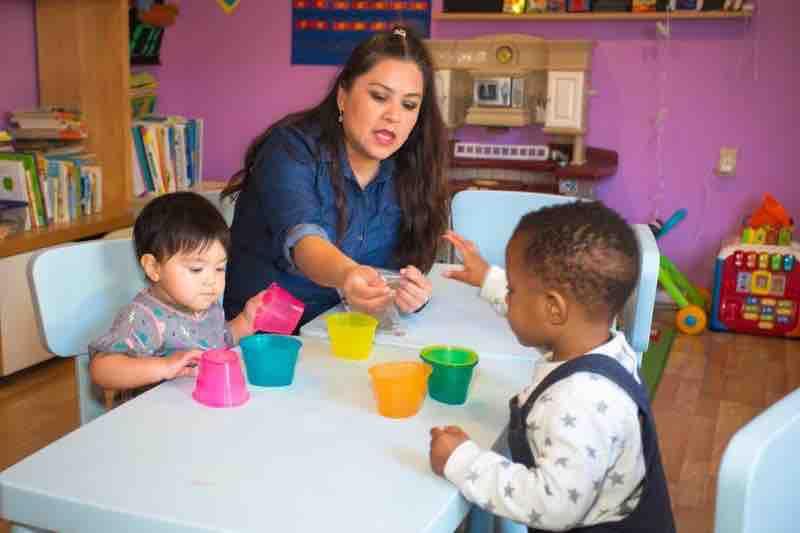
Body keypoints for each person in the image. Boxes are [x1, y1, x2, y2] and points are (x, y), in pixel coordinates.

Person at [430, 202, 675, 532]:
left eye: (513, 290)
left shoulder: (578, 400)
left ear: (554, 309)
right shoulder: (604, 345)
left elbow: (552, 505)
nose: (509, 297)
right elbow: (541, 313)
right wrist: (489, 279)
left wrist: (463, 461)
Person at [220, 25, 449, 326]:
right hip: (262, 343)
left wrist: (405, 290)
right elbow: (304, 241)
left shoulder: (409, 170)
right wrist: (347, 275)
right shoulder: (290, 149)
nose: (394, 115)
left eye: (409, 104)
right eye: (379, 97)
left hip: (341, 337)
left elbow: (394, 269)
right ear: (343, 96)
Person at [88, 192, 266, 399]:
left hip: (200, 408)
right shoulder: (143, 318)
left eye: (219, 268)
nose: (211, 280)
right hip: (156, 420)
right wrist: (164, 367)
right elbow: (101, 370)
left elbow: (220, 340)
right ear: (154, 267)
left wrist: (247, 320)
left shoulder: (206, 305)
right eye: (197, 269)